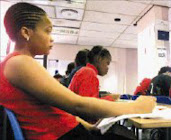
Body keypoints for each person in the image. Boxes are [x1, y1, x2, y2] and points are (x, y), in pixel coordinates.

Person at [0, 2, 156, 140]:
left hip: (67, 131)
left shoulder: (17, 63)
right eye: (47, 31)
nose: (52, 38)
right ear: (26, 32)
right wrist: (135, 107)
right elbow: (78, 105)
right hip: (63, 135)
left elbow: (57, 109)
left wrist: (89, 127)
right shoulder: (19, 63)